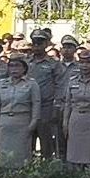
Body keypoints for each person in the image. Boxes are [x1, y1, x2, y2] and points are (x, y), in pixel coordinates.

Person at [60, 48, 90, 170]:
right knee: (75, 154)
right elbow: (67, 104)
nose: (85, 66)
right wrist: (65, 123)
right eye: (82, 62)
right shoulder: (72, 82)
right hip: (76, 118)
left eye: (88, 62)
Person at [0, 56, 41, 167]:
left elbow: (36, 104)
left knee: (21, 155)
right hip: (5, 122)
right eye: (11, 66)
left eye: (17, 65)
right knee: (5, 155)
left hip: (22, 121)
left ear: (24, 68)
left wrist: (33, 123)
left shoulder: (31, 84)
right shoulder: (2, 83)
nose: (14, 69)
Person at [27, 29, 65, 160]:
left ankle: (47, 170)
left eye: (40, 43)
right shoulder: (26, 63)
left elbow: (60, 85)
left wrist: (57, 105)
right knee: (28, 141)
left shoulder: (53, 63)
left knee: (46, 141)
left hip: (46, 107)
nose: (37, 46)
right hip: (27, 107)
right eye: (34, 43)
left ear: (46, 44)